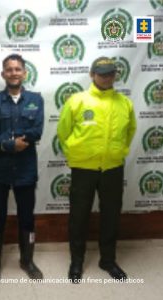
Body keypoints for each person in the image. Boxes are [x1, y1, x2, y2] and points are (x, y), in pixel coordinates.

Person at [57, 57, 136, 283]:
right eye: (102, 73)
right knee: (79, 215)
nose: (107, 77)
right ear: (92, 75)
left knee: (111, 215)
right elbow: (63, 132)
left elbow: (130, 131)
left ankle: (108, 260)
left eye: (111, 73)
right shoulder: (77, 101)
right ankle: (77, 261)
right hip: (84, 167)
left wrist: (119, 151)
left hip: (112, 167)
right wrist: (74, 152)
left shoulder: (124, 103)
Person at [0, 54, 44, 286]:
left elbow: (37, 131)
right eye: (9, 69)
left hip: (25, 171)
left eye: (18, 69)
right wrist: (10, 144)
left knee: (27, 218)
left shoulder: (36, 100)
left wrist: (4, 141)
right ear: (3, 74)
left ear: (24, 73)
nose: (14, 72)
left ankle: (27, 261)